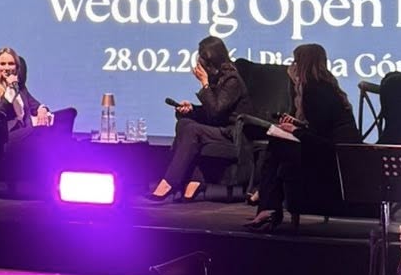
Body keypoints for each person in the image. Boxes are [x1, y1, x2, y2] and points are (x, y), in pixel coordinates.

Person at [247, 42, 360, 231]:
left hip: (334, 156)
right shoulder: (326, 86)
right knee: (278, 144)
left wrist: (295, 130)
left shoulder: (314, 91)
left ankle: (267, 206)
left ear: (302, 64)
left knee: (277, 143)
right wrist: (297, 124)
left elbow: (320, 138)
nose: (292, 66)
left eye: (295, 61)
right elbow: (319, 127)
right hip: (335, 150)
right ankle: (267, 205)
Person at [147, 36, 251, 201]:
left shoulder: (232, 80)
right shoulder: (217, 77)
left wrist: (204, 83)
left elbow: (216, 112)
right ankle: (193, 180)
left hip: (232, 133)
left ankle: (170, 182)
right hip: (218, 128)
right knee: (184, 123)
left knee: (192, 129)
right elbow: (211, 111)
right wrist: (191, 109)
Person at [0, 46, 55, 194]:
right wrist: (10, 91)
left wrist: (42, 109)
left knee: (63, 118)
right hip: (7, 134)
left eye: (11, 64)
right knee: (39, 132)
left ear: (16, 67)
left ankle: (54, 178)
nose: (7, 68)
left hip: (26, 129)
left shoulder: (21, 88)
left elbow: (35, 104)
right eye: (3, 64)